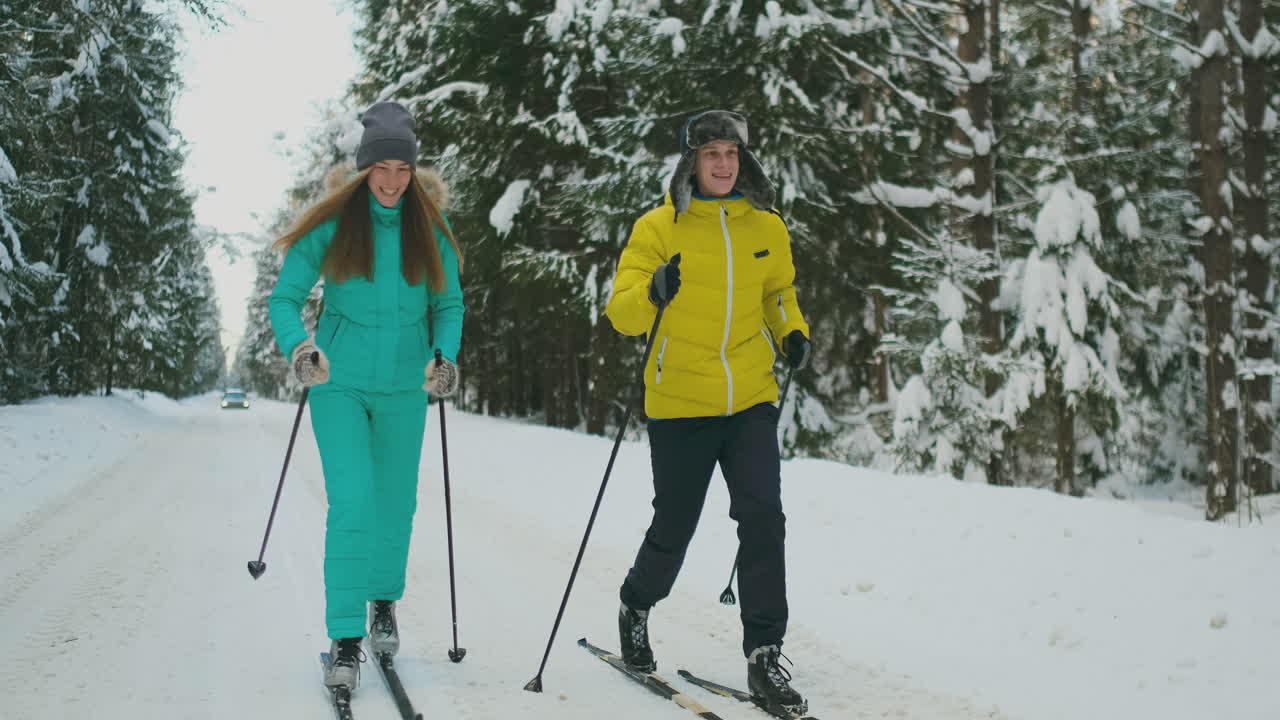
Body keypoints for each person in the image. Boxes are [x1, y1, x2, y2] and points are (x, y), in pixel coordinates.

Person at [603, 109, 813, 715]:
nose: (723, 164)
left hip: (749, 395)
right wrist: (651, 291)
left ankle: (764, 656)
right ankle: (636, 604)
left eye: (731, 153)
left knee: (763, 517)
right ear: (691, 162)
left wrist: (791, 331)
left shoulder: (766, 225)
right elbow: (623, 313)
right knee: (676, 526)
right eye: (711, 154)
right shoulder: (659, 227)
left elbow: (779, 293)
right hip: (680, 401)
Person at [269, 100, 465, 691]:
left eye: (402, 169)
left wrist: (443, 356)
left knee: (396, 505)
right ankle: (345, 638)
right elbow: (285, 298)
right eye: (380, 167)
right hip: (341, 385)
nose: (391, 180)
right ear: (363, 167)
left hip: (407, 387)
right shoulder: (334, 223)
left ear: (412, 170)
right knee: (353, 504)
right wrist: (302, 350)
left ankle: (383, 600)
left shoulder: (427, 227)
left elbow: (447, 304)